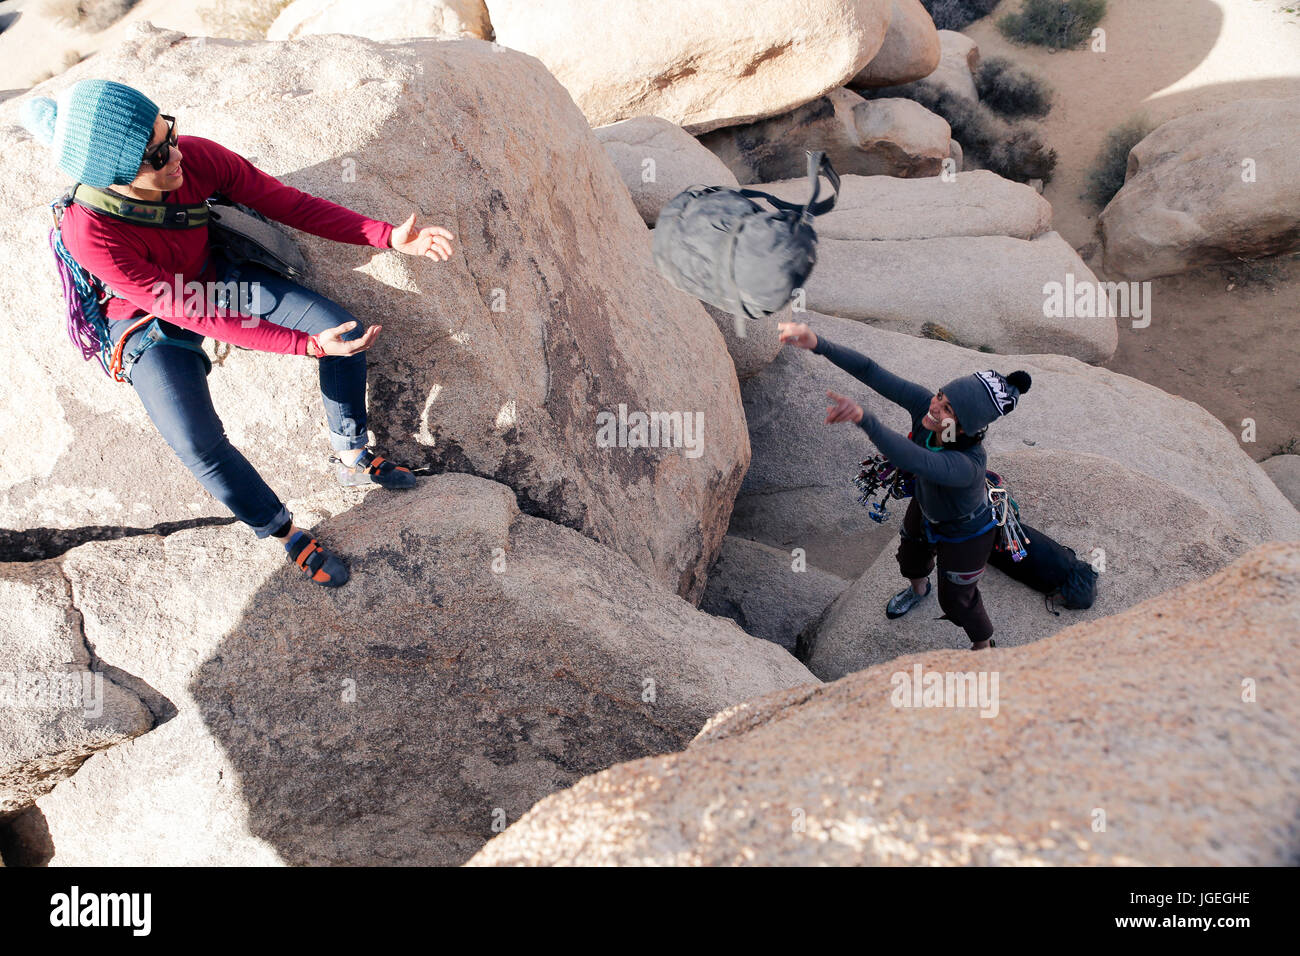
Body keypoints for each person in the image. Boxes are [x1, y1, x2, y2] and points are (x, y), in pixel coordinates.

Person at [20, 79, 456, 587]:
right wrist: (304, 346)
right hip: (144, 317)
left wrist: (385, 236)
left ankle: (353, 454)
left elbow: (285, 202)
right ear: (115, 179)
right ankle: (282, 530)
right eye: (157, 155)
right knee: (195, 441)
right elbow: (185, 310)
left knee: (344, 330)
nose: (175, 154)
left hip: (209, 274)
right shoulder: (91, 231)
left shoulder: (197, 159)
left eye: (170, 132)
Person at [779, 321, 1031, 650]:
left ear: (966, 426)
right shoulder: (927, 410)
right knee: (910, 558)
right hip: (927, 507)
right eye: (941, 396)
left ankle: (983, 645)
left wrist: (863, 418)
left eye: (948, 409)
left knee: (957, 599)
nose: (934, 406)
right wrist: (818, 343)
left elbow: (916, 460)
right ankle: (918, 590)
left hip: (966, 532)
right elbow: (872, 371)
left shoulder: (968, 464)